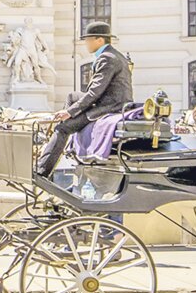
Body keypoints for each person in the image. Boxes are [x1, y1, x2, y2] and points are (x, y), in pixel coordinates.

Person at [35, 22, 134, 178]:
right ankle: (63, 137)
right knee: (72, 96)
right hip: (108, 100)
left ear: (99, 40)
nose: (85, 43)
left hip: (110, 106)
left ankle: (42, 171)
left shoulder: (107, 58)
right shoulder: (111, 55)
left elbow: (94, 93)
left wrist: (70, 112)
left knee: (63, 129)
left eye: (88, 40)